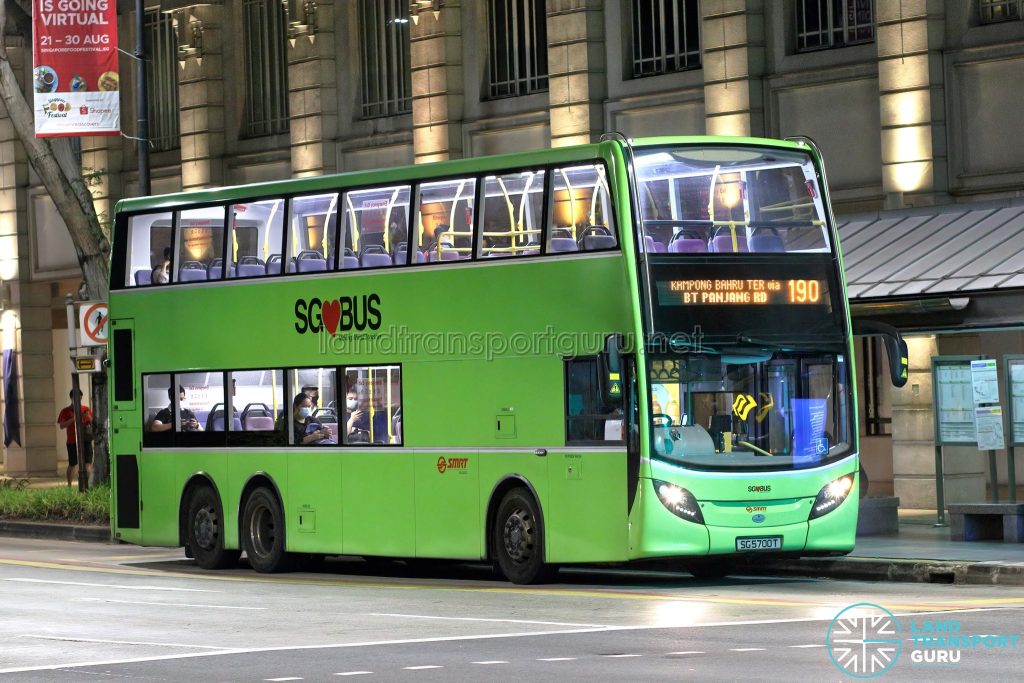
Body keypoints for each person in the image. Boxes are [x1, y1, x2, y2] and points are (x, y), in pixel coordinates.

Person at [57, 389, 93, 487]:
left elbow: (93, 423)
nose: (78, 401)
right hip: (72, 440)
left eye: (80, 399)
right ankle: (69, 485)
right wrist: (73, 419)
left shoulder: (86, 409)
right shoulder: (65, 411)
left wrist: (87, 416)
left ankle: (86, 485)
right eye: (75, 398)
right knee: (72, 464)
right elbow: (61, 426)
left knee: (88, 463)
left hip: (85, 440)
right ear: (71, 398)